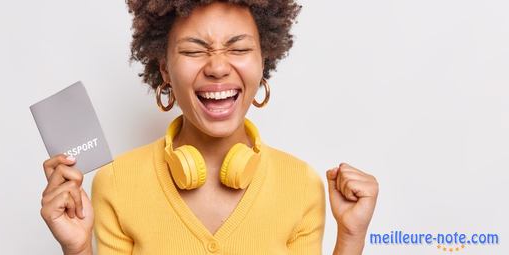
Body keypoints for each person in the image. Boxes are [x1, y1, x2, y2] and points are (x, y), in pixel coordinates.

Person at [40, 1, 379, 254]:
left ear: (263, 62)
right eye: (193, 50)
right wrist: (79, 249)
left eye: (240, 48)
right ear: (166, 71)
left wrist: (351, 237)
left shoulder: (301, 184)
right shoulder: (117, 183)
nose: (218, 67)